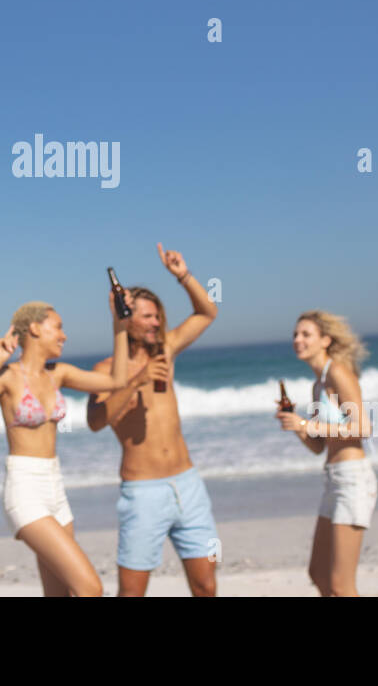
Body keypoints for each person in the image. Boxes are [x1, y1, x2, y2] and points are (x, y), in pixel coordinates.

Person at [0, 294, 143, 596]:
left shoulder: (58, 374)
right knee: (90, 588)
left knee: (59, 594)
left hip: (56, 489)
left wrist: (119, 325)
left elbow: (117, 380)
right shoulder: (8, 377)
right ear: (34, 328)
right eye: (57, 327)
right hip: (24, 489)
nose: (64, 335)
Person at [86, 244, 219, 596]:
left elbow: (207, 313)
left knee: (206, 586)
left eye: (158, 316)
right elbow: (97, 421)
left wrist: (183, 276)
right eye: (147, 316)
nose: (156, 323)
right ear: (126, 317)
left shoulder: (166, 349)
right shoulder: (105, 370)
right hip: (143, 492)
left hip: (189, 486)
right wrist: (136, 382)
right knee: (132, 593)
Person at [276, 311, 376, 596]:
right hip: (333, 480)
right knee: (318, 573)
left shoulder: (338, 373)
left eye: (306, 334)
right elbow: (319, 446)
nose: (298, 340)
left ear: (325, 340)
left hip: (354, 480)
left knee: (342, 586)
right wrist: (295, 424)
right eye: (295, 334)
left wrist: (307, 423)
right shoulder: (318, 384)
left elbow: (362, 427)